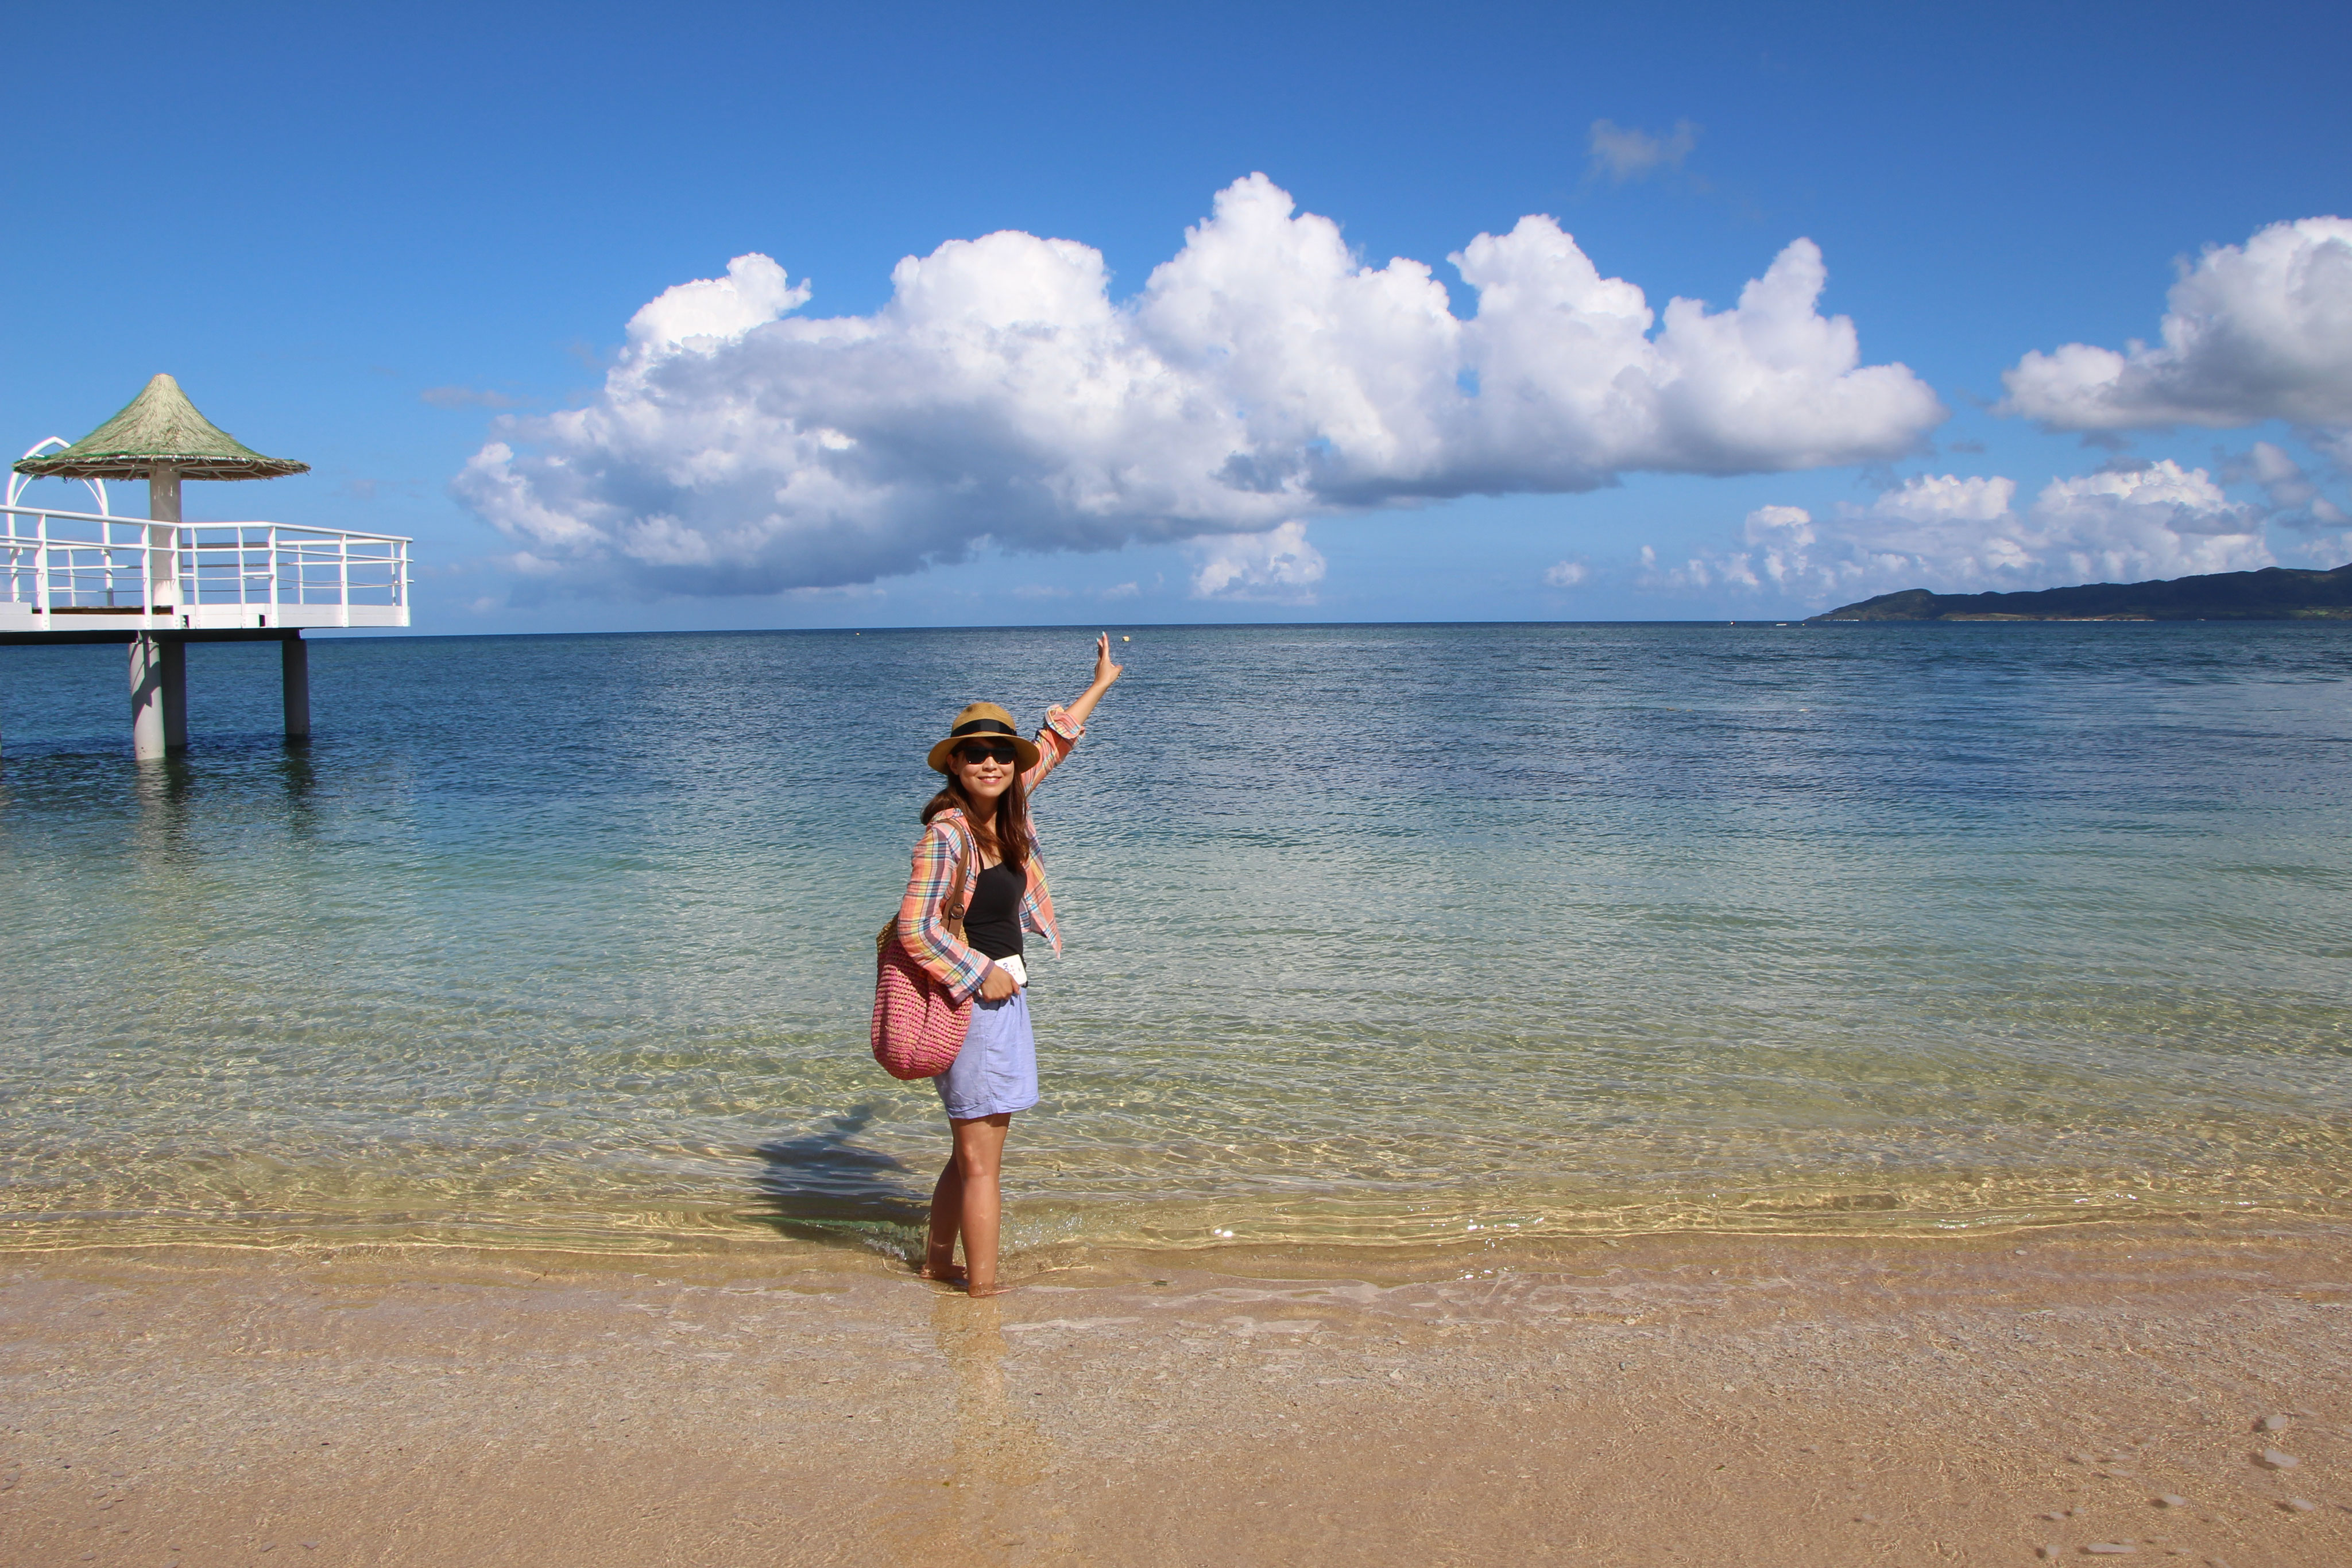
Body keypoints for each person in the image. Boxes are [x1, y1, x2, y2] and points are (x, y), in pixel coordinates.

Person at [899, 634, 1123, 1296]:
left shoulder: (1004, 810)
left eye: (1001, 751)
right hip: (976, 1006)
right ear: (955, 765)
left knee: (969, 1156)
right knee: (982, 1165)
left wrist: (1101, 682)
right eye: (977, 753)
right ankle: (983, 1297)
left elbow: (1053, 745)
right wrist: (980, 972)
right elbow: (914, 928)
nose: (992, 761)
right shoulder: (947, 835)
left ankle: (939, 1265)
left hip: (998, 1002)